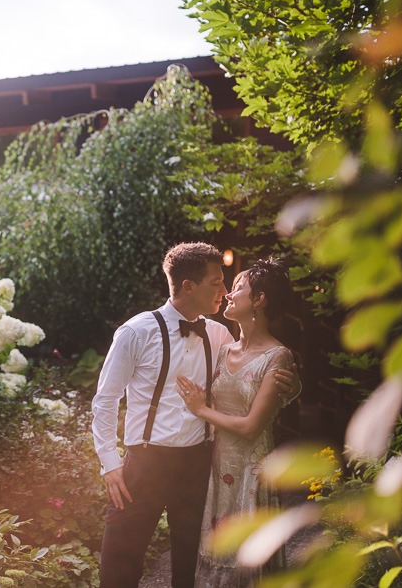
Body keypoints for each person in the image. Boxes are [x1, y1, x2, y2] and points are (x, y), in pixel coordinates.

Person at [91, 243, 299, 588]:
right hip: (145, 463)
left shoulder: (219, 334)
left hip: (199, 464)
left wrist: (288, 385)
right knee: (120, 560)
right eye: (216, 282)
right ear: (189, 286)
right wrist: (110, 463)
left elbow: (248, 374)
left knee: (191, 562)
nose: (225, 290)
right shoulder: (135, 332)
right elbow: (105, 400)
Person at [176, 258, 298, 586]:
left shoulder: (278, 357)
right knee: (217, 553)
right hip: (220, 468)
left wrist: (201, 409)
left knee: (246, 561)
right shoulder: (223, 350)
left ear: (259, 300)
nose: (228, 294)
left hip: (252, 472)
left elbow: (250, 427)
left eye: (239, 288)